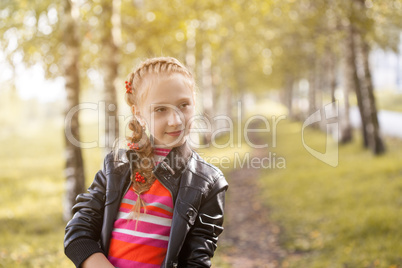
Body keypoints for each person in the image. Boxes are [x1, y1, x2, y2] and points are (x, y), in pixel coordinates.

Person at [64, 56, 228, 268]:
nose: (175, 120)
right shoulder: (116, 167)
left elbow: (196, 261)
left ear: (194, 103)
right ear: (138, 113)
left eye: (184, 105)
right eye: (161, 109)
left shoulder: (208, 182)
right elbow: (78, 234)